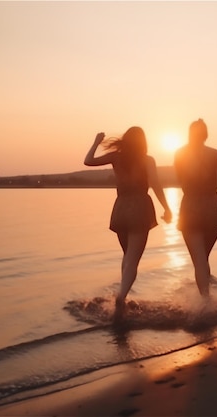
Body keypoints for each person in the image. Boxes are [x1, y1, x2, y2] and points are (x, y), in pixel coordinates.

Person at [84, 127, 172, 323]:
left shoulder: (117, 157)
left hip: (121, 208)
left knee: (127, 256)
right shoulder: (147, 160)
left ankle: (122, 299)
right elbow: (156, 184)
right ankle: (121, 297)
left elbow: (88, 161)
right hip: (140, 207)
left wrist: (97, 142)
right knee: (132, 260)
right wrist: (167, 208)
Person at [174, 119, 217, 298]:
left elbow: (180, 179)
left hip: (190, 207)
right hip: (212, 208)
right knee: (203, 257)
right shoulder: (215, 154)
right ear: (205, 134)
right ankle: (206, 299)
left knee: (199, 260)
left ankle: (204, 303)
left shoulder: (180, 154)